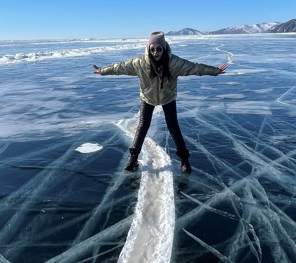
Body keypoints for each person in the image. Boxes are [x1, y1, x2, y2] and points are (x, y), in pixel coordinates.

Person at [93, 31, 227, 173]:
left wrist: (215, 71)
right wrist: (102, 70)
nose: (155, 53)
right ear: (148, 49)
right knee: (143, 126)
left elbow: (194, 67)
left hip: (167, 97)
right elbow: (120, 67)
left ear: (164, 48)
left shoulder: (174, 63)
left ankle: (185, 160)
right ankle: (133, 160)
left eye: (159, 49)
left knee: (173, 127)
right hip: (148, 98)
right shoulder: (140, 63)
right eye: (152, 49)